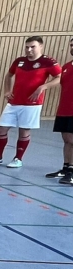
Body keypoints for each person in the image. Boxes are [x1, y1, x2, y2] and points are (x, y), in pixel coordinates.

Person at [0, 36, 62, 168]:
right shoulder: (19, 61)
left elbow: (59, 77)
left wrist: (43, 87)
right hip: (14, 102)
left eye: (32, 47)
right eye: (27, 47)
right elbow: (9, 75)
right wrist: (7, 91)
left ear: (41, 46)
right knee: (1, 128)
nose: (29, 50)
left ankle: (18, 159)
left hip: (32, 103)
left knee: (24, 130)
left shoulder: (48, 62)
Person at [48, 37, 73, 185]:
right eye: (71, 45)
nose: (72, 48)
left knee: (72, 140)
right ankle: (66, 168)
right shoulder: (66, 66)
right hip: (64, 109)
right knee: (67, 140)